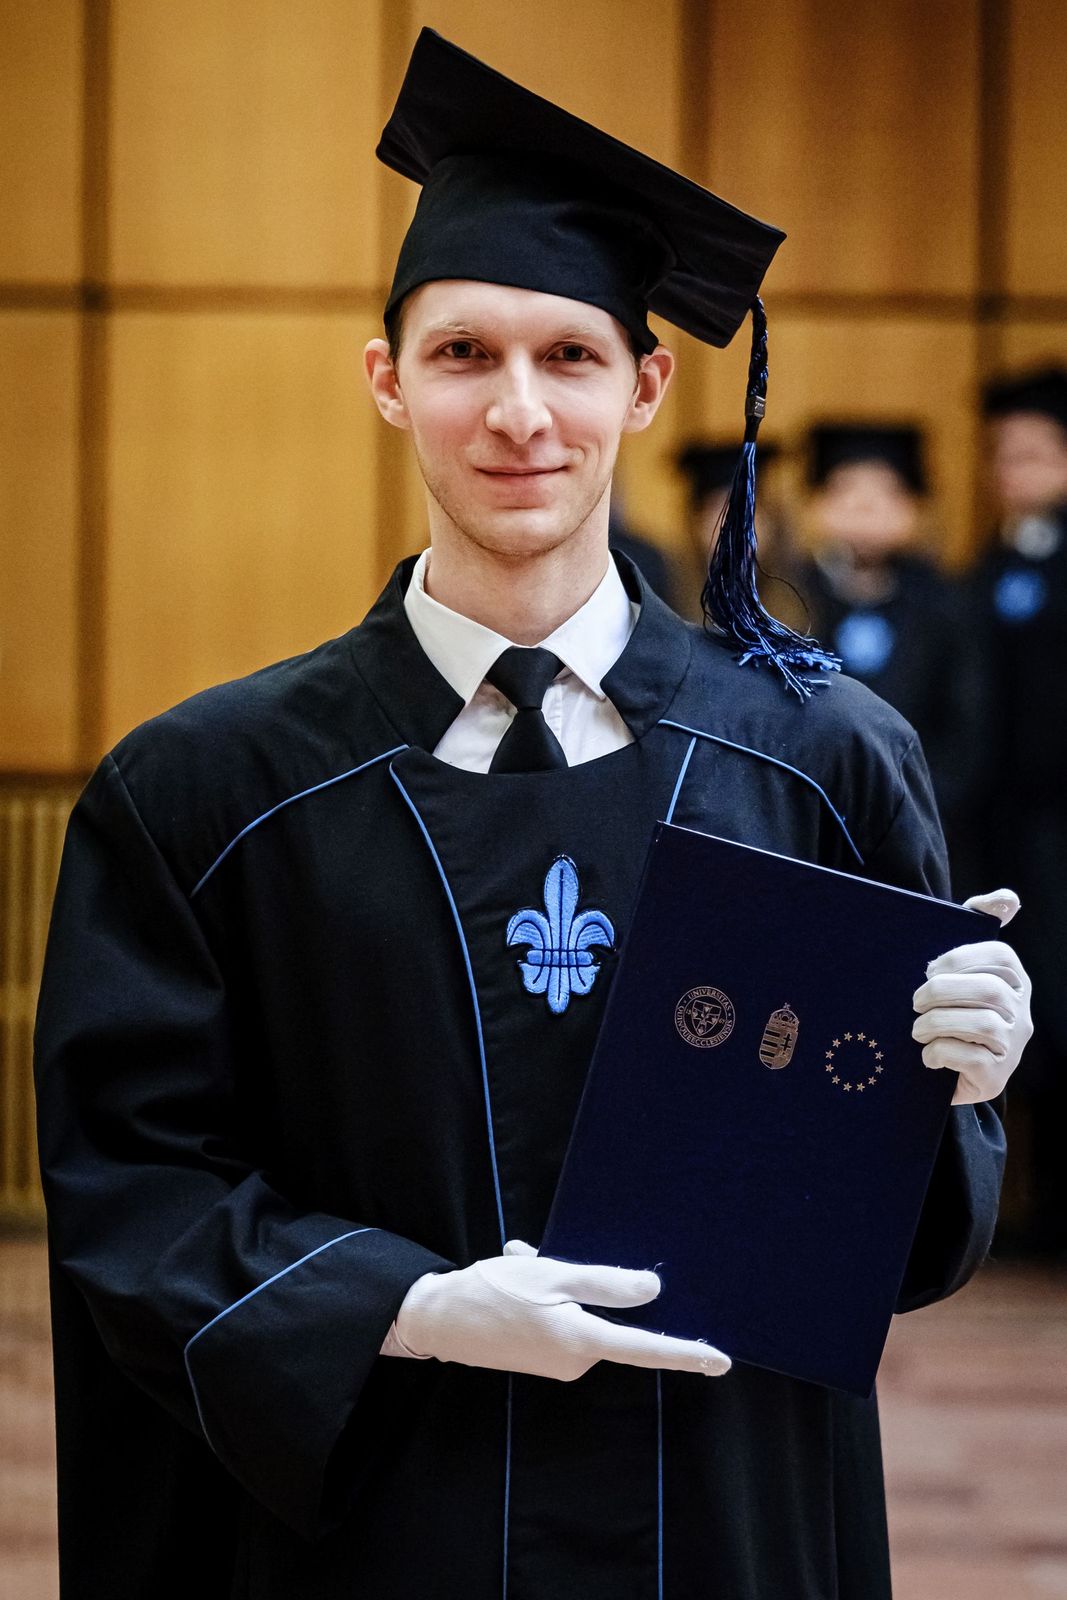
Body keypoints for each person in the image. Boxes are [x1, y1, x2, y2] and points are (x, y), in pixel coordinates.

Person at [34, 31, 1032, 1600]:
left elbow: (899, 1241)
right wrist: (406, 1305)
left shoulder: (821, 760)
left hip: (714, 1509)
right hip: (376, 1521)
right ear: (386, 381)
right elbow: (132, 1181)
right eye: (461, 354)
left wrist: (952, 1085)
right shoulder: (208, 794)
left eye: (568, 356)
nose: (517, 412)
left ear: (644, 384)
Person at [969, 366, 1067, 1257]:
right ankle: (1020, 1206)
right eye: (1002, 455)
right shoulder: (989, 565)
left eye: (1034, 455)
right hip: (1004, 823)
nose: (1013, 471)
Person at [797, 423, 986, 877]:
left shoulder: (945, 605)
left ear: (914, 507)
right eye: (845, 491)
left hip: (924, 822)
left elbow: (968, 729)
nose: (865, 510)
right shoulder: (790, 598)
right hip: (810, 821)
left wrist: (913, 809)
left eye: (885, 494)